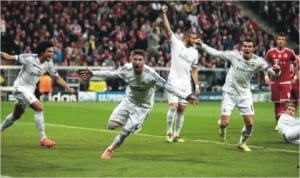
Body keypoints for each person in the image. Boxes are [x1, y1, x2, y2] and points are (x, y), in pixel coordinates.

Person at [78, 49, 198, 159]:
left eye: (140, 60)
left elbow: (168, 86)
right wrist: (93, 73)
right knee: (111, 126)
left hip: (143, 107)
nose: (137, 62)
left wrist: (186, 96)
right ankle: (135, 125)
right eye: (135, 59)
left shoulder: (151, 74)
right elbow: (112, 74)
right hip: (128, 101)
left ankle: (110, 149)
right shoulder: (126, 69)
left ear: (144, 61)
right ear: (131, 60)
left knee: (125, 131)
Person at [198, 38, 281, 151]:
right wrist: (202, 44)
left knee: (250, 124)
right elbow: (215, 53)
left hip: (244, 94)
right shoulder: (234, 55)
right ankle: (222, 128)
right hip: (229, 92)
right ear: (242, 47)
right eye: (245, 46)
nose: (247, 48)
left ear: (253, 48)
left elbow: (274, 73)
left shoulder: (258, 61)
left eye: (249, 46)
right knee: (224, 123)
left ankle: (242, 143)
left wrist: (277, 70)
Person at [0, 40, 75, 147]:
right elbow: (8, 57)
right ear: (42, 52)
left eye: (52, 52)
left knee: (16, 115)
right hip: (20, 88)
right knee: (39, 107)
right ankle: (43, 138)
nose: (52, 54)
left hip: (29, 91)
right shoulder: (29, 58)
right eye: (49, 52)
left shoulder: (49, 63)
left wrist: (67, 87)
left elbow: (56, 77)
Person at [161, 4, 200, 143]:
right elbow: (167, 29)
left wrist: (196, 85)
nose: (195, 40)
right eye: (193, 38)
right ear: (187, 37)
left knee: (182, 109)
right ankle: (169, 132)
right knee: (173, 106)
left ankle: (177, 135)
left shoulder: (195, 53)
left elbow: (194, 70)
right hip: (174, 81)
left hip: (186, 84)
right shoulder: (176, 44)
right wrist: (164, 14)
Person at [264, 33, 297, 130]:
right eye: (279, 39)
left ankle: (282, 123)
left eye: (282, 39)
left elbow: (295, 64)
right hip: (274, 81)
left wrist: (294, 76)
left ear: (285, 42)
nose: (280, 41)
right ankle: (278, 122)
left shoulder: (290, 52)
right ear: (276, 40)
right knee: (277, 103)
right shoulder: (270, 52)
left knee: (283, 102)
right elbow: (265, 66)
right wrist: (266, 76)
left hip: (286, 81)